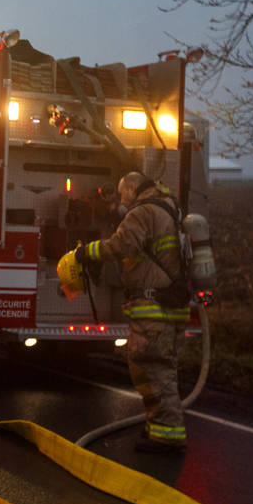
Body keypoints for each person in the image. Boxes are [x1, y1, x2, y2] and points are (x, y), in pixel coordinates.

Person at [72, 171, 191, 454]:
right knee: (162, 368)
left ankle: (167, 436)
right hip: (170, 306)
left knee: (150, 368)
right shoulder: (170, 208)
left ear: (134, 188)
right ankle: (158, 425)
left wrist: (86, 252)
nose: (122, 202)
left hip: (152, 308)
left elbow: (122, 244)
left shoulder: (143, 213)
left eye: (123, 194)